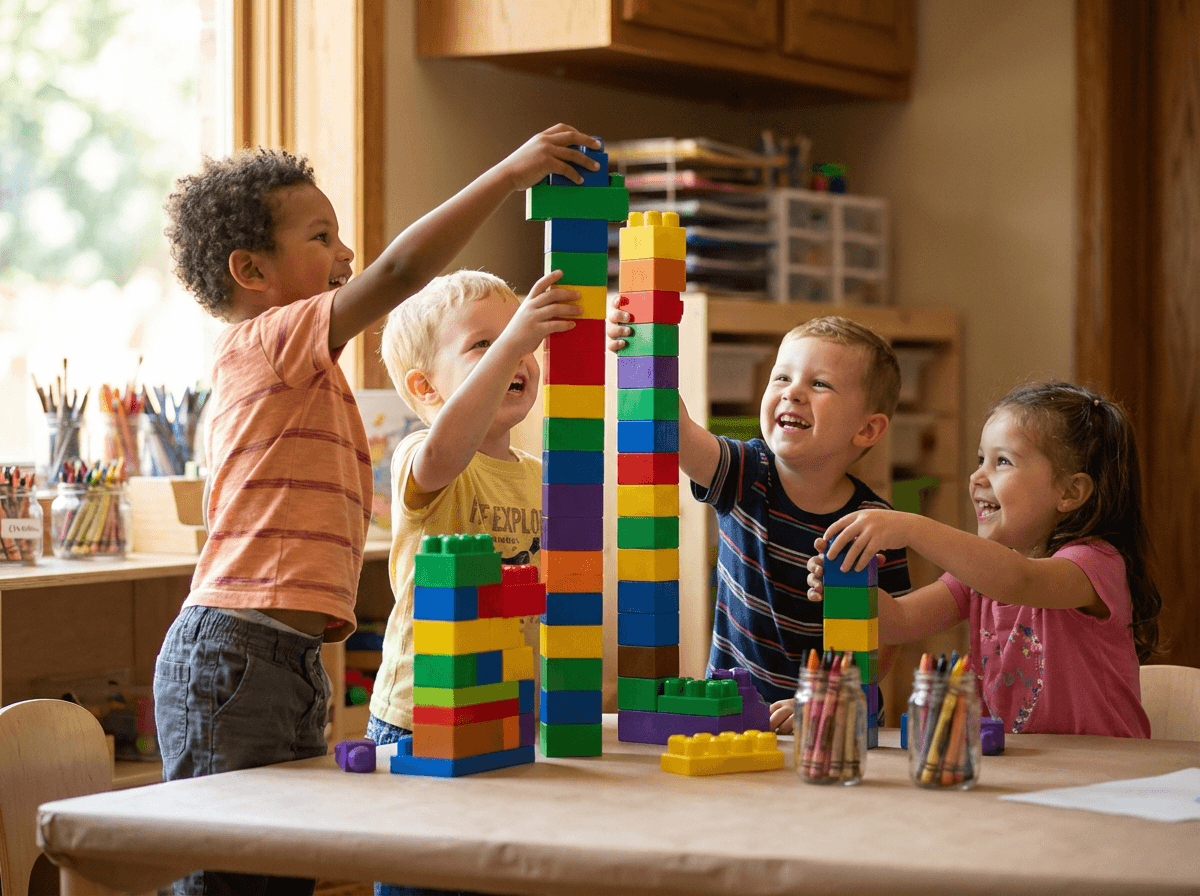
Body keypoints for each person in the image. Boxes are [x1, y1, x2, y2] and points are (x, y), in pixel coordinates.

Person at [155, 125, 601, 896]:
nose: (346, 254)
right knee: (232, 882)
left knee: (279, 877)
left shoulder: (309, 375)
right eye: (321, 236)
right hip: (236, 653)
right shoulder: (264, 341)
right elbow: (401, 270)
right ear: (251, 269)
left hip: (290, 659)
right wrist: (507, 171)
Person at [367, 269, 580, 896]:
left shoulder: (540, 473)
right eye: (484, 344)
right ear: (423, 388)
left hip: (508, 711)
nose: (518, 355)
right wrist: (515, 340)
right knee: (422, 881)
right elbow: (444, 453)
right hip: (419, 714)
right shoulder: (419, 454)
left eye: (520, 343)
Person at [606, 313, 912, 734]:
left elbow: (885, 642)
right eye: (782, 378)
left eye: (819, 384)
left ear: (867, 429)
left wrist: (828, 703)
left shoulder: (879, 527)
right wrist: (642, 349)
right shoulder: (746, 471)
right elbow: (673, 430)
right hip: (734, 716)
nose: (794, 394)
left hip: (831, 724)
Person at [813, 380, 1160, 737]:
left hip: (1105, 773)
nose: (977, 476)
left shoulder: (1094, 563)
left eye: (1002, 461)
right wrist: (846, 586)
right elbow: (900, 621)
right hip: (1026, 770)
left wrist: (912, 528)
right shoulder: (981, 575)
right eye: (981, 459)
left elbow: (1019, 581)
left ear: (1070, 491)